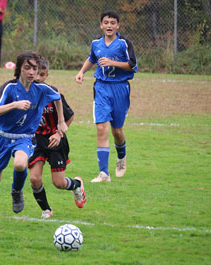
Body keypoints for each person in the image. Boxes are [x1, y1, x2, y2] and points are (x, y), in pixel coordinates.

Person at [0, 50, 68, 222]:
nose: (32, 72)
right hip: (3, 137)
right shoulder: (9, 88)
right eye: (28, 68)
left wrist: (61, 122)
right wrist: (14, 104)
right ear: (20, 69)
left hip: (24, 137)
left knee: (19, 164)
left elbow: (57, 97)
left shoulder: (40, 89)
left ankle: (16, 191)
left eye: (35, 68)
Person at [75, 10, 138, 182]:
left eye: (112, 23)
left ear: (118, 25)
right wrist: (82, 72)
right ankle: (104, 173)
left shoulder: (124, 43)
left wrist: (113, 63)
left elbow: (133, 66)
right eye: (106, 23)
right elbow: (91, 58)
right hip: (101, 88)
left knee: (117, 130)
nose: (109, 26)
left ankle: (121, 158)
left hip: (120, 89)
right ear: (101, 25)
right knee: (102, 127)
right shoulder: (96, 43)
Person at [28, 57, 86, 219]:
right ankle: (46, 210)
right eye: (35, 74)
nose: (38, 78)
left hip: (55, 140)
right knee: (34, 178)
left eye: (42, 75)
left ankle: (77, 185)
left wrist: (59, 133)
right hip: (36, 140)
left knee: (59, 183)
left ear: (46, 76)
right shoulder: (24, 92)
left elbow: (70, 116)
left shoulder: (53, 94)